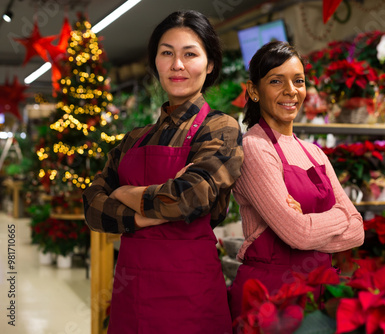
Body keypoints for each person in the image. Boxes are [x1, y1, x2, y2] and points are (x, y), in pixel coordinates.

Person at [82, 10, 243, 334]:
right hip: (131, 292)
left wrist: (126, 193)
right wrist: (149, 212)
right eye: (166, 53)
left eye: (190, 54)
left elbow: (190, 197)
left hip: (191, 296)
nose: (177, 64)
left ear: (210, 64)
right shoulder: (133, 138)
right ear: (155, 61)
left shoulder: (219, 128)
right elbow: (92, 206)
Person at [227, 41, 364, 320]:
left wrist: (308, 227)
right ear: (254, 91)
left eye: (298, 81)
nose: (291, 91)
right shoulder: (255, 147)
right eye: (276, 81)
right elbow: (298, 234)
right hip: (270, 296)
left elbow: (358, 230)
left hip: (319, 289)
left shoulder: (313, 152)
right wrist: (340, 215)